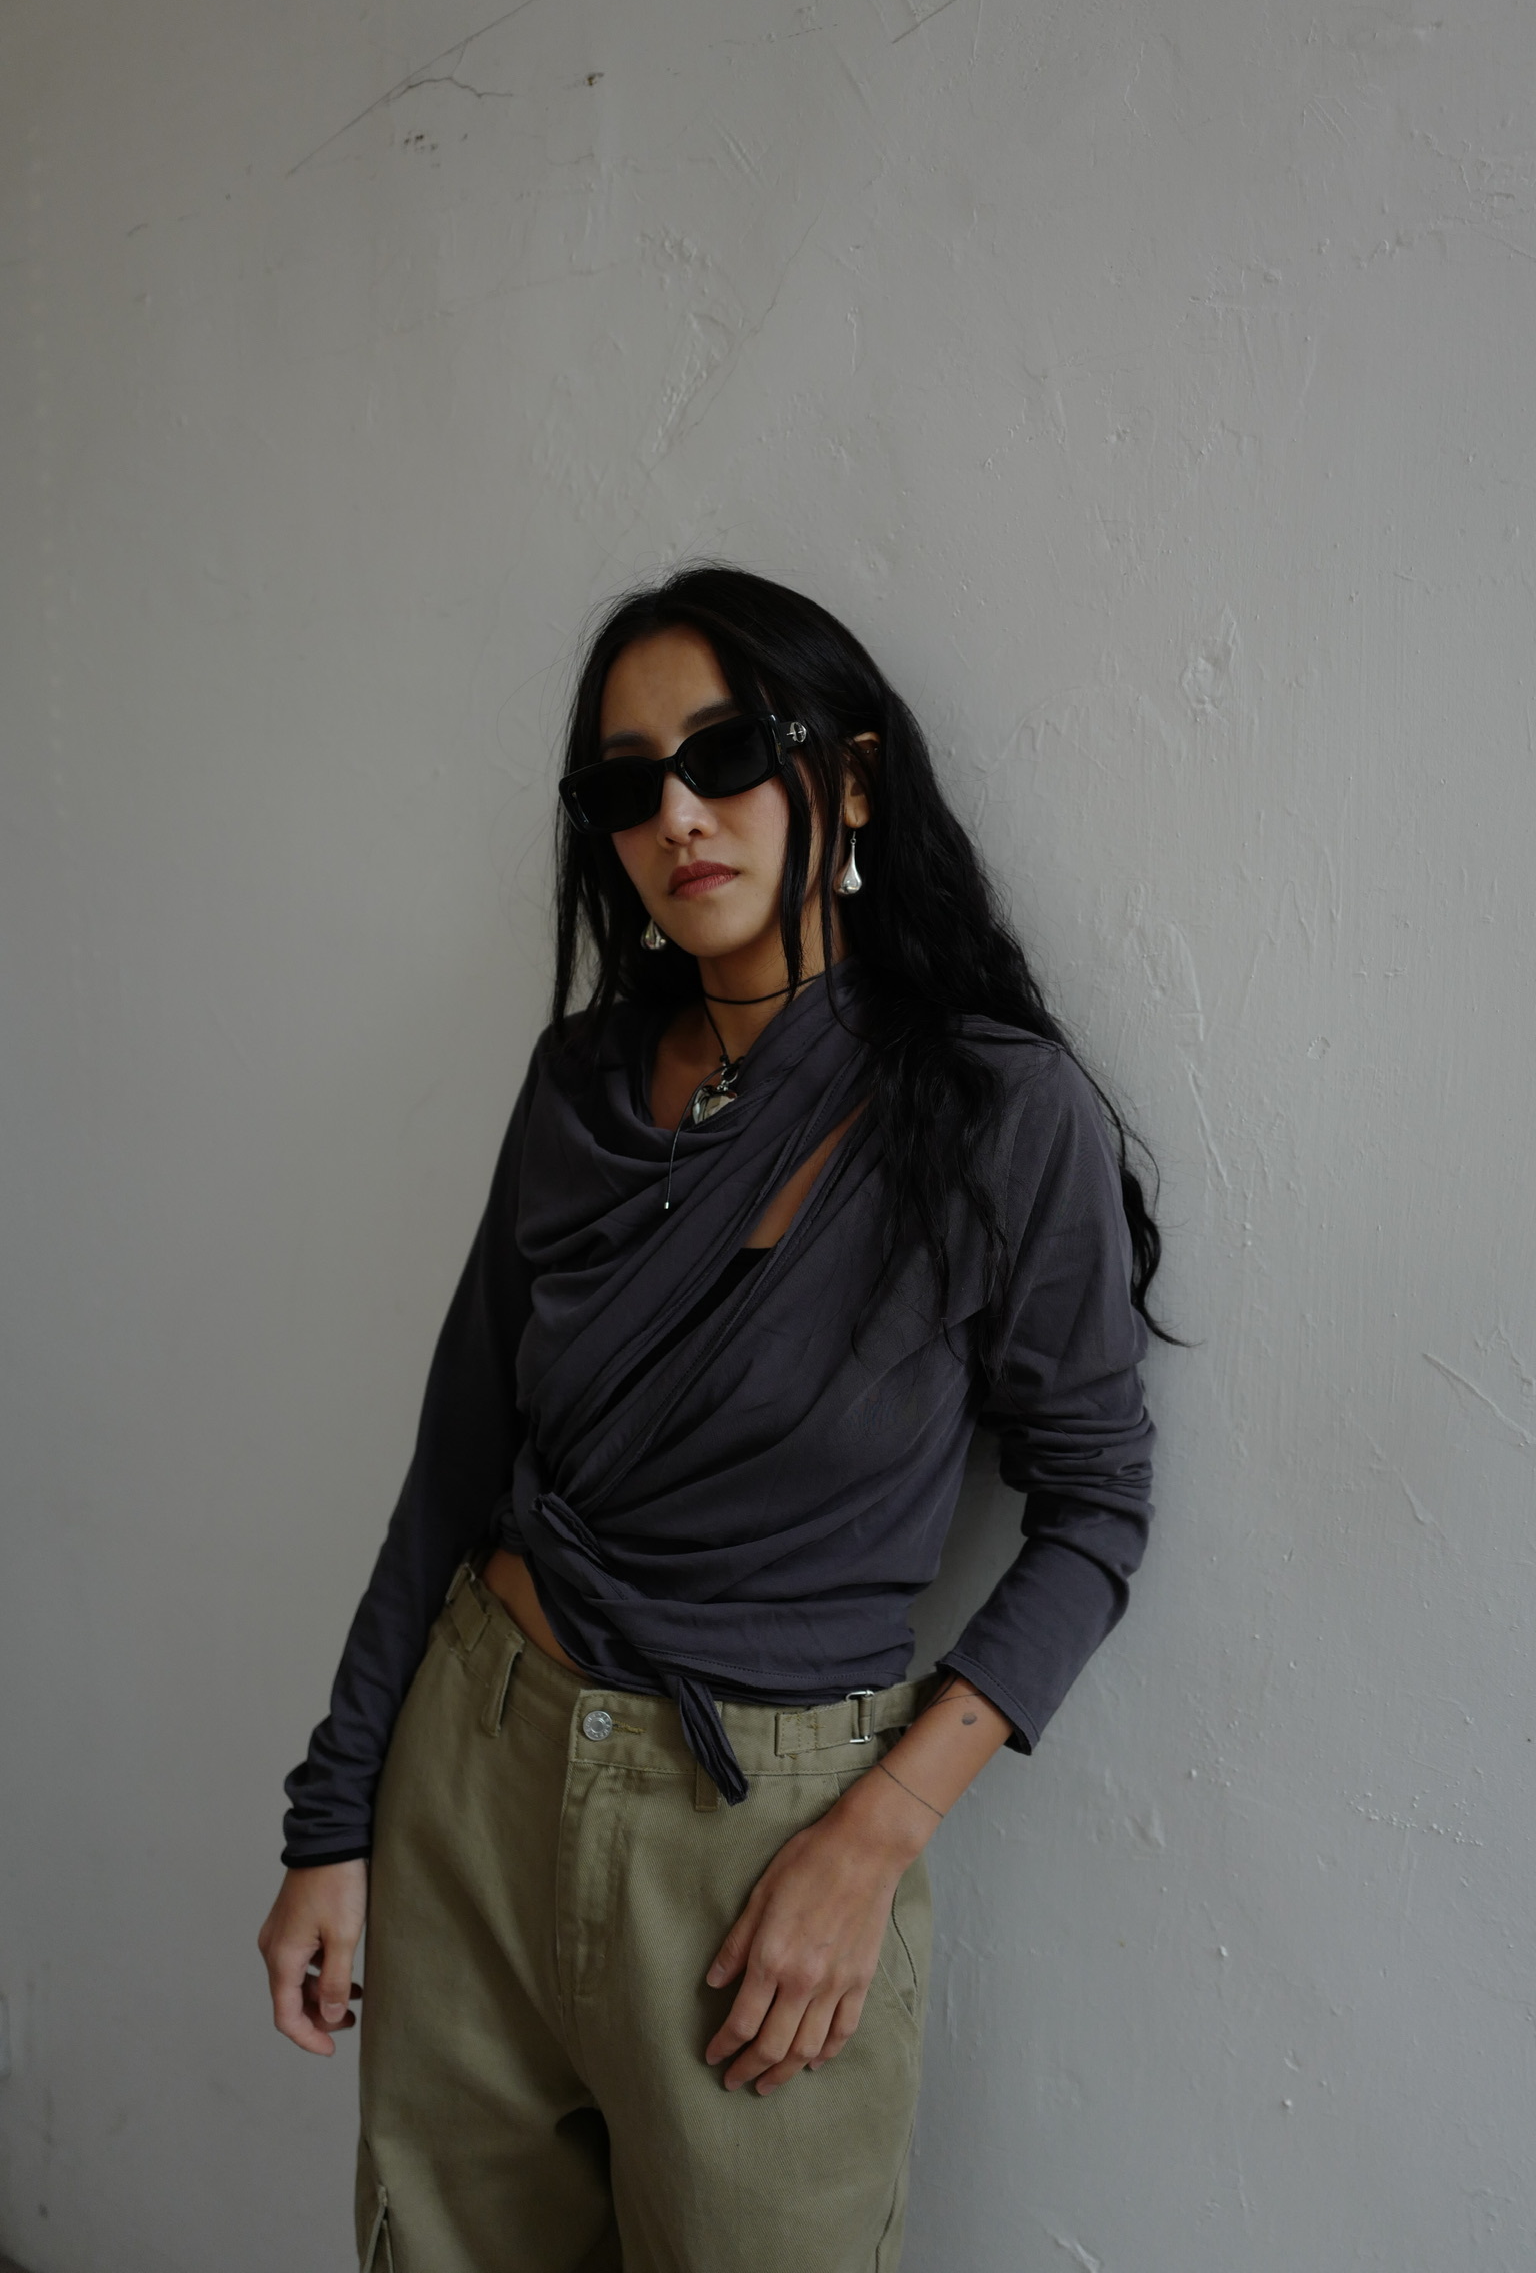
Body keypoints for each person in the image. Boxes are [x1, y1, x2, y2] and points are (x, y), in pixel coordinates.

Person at [258, 565, 1162, 2273]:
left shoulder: (994, 1109)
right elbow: (457, 1470)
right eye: (626, 785)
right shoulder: (580, 1085)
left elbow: (1098, 1507)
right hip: (473, 1779)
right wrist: (335, 1818)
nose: (677, 814)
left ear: (855, 780)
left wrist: (876, 1833)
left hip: (758, 1839)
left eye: (728, 753)